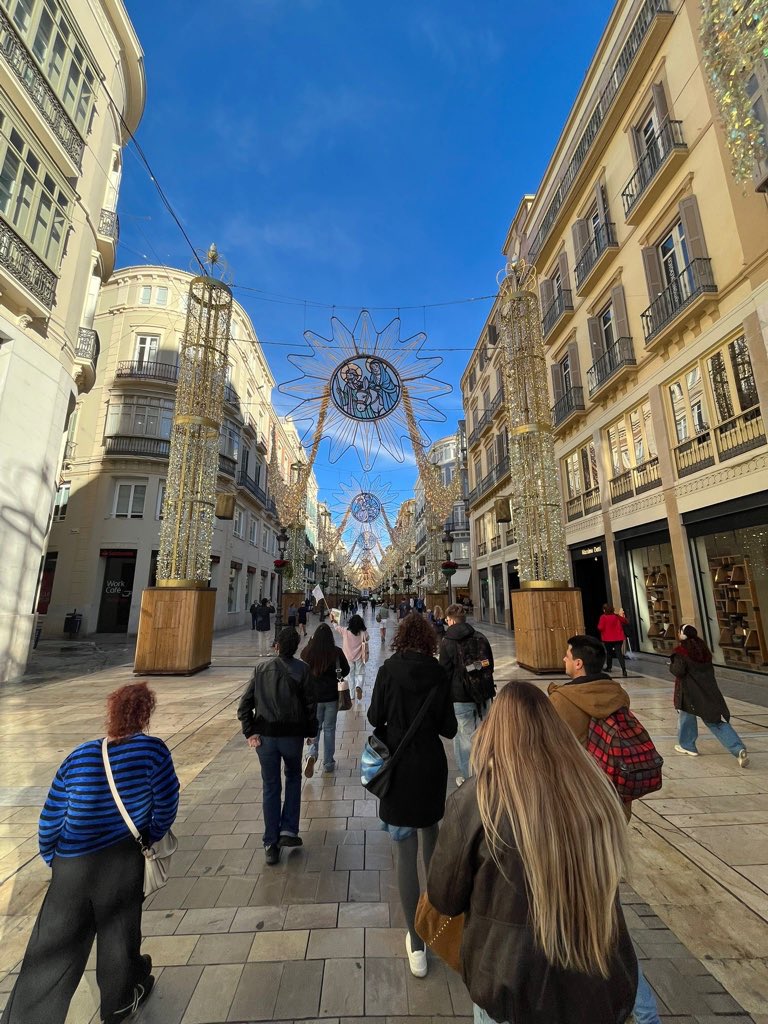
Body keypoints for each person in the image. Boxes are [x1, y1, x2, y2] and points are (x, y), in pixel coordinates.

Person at [426, 682, 638, 1024]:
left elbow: (444, 898)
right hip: (597, 982)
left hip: (511, 984)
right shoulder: (596, 791)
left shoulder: (478, 801)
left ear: (494, 731)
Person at [2, 682, 179, 1024]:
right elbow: (167, 805)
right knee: (118, 935)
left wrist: (55, 858)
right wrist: (147, 838)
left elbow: (51, 817)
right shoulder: (153, 751)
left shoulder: (80, 754)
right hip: (120, 859)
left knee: (51, 949)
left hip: (71, 863)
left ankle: (27, 1017)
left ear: (111, 714)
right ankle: (119, 1005)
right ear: (145, 715)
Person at [550, 637, 662, 1024]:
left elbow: (546, 753)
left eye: (567, 655)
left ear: (579, 664)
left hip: (578, 816)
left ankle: (641, 1009)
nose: (563, 659)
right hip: (614, 808)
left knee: (599, 919)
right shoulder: (616, 694)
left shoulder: (563, 702)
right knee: (602, 905)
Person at [367, 612, 457, 978]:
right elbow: (449, 729)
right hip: (430, 767)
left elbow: (375, 717)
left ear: (399, 638)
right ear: (430, 642)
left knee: (404, 847)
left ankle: (416, 943)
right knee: (430, 834)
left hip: (398, 770)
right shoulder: (438, 674)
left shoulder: (388, 670)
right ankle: (436, 927)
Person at [237, 627, 317, 865]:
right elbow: (311, 706)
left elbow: (244, 705)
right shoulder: (303, 670)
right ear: (297, 647)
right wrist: (311, 733)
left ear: (277, 646)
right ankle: (288, 831)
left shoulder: (261, 669)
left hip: (267, 739)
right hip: (292, 738)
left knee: (271, 786)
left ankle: (270, 843)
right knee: (293, 777)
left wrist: (250, 732)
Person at [671, 624, 749, 766]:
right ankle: (738, 749)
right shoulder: (703, 650)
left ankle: (688, 746)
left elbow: (678, 671)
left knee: (686, 716)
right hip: (708, 691)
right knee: (716, 721)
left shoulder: (681, 651)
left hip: (689, 692)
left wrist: (671, 664)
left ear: (682, 635)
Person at [439, 603, 495, 787]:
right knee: (485, 735)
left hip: (460, 696)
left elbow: (444, 673)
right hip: (484, 693)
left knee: (464, 739)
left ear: (452, 620)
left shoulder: (447, 642)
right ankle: (487, 773)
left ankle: (469, 780)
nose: (446, 622)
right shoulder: (481, 637)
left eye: (447, 619)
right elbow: (490, 665)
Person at [300, 623, 350, 777]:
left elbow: (302, 662)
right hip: (331, 698)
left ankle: (312, 754)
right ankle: (328, 763)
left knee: (315, 728)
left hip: (313, 698)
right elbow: (346, 670)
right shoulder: (336, 652)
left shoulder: (309, 652)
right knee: (329, 729)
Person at [333, 613, 369, 700]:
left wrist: (333, 620)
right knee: (360, 673)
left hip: (348, 656)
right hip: (360, 656)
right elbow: (367, 638)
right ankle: (358, 686)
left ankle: (352, 696)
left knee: (350, 675)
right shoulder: (363, 633)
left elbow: (336, 627)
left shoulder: (345, 631)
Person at [597, 604, 629, 677]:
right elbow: (626, 621)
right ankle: (624, 670)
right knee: (619, 654)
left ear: (604, 610)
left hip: (607, 639)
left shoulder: (603, 617)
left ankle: (609, 667)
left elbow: (600, 627)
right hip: (619, 638)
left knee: (609, 653)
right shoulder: (616, 616)